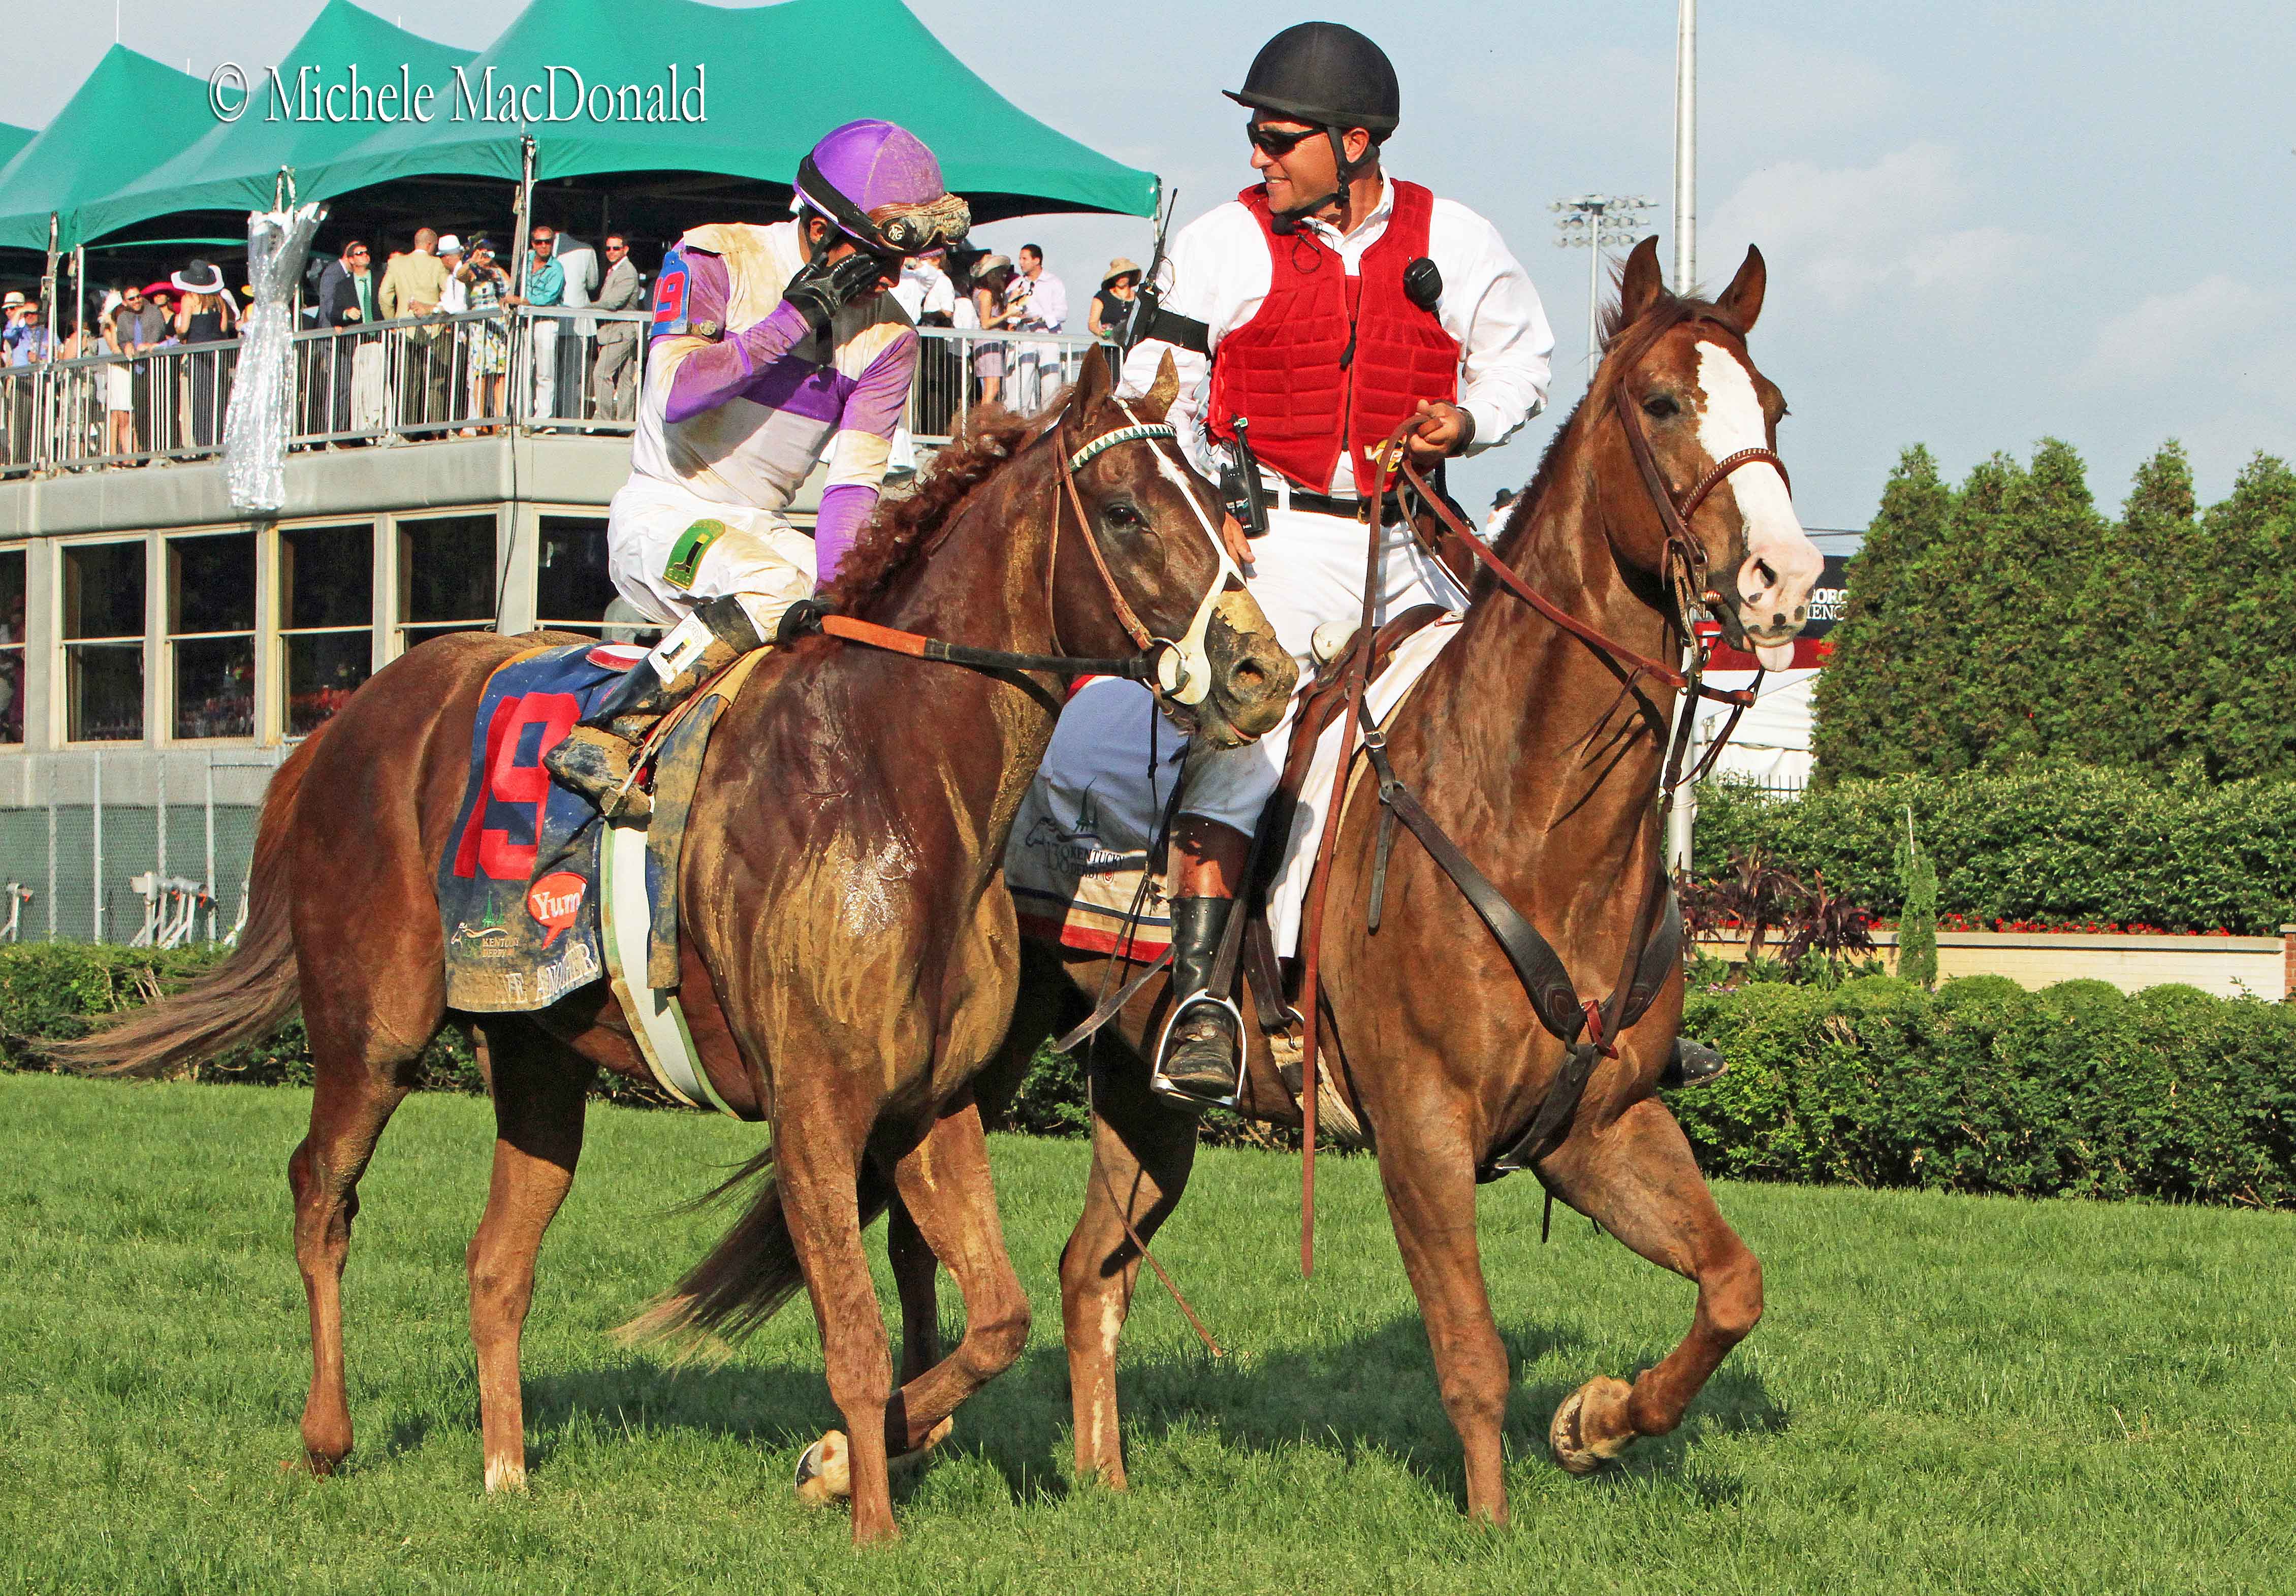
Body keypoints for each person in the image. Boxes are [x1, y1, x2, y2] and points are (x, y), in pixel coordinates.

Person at [1115, 22, 1554, 1104]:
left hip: (1415, 539)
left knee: (1525, 717)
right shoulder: (1223, 243)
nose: (1258, 157)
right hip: (1275, 536)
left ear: (1355, 143)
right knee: (1246, 741)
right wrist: (1206, 501)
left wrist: (1467, 418)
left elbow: (1524, 362)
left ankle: (1587, 994)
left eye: (1278, 139)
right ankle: (1206, 1002)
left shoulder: (1459, 237)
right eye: (1258, 139)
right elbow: (1152, 392)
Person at [543, 119, 969, 820]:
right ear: (823, 229)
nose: (891, 280)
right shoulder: (716, 257)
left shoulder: (892, 337)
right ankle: (606, 731)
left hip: (758, 528)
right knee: (775, 582)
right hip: (664, 514)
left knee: (860, 609)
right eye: (876, 259)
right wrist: (789, 323)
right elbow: (675, 397)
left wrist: (849, 601)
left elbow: (852, 491)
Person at [378, 227, 451, 431]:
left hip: (404, 329)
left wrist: (392, 321)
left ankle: (406, 429)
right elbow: (448, 295)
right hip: (434, 328)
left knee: (407, 380)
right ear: (430, 245)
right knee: (436, 379)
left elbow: (384, 295)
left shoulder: (396, 263)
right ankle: (437, 429)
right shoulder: (438, 264)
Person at [169, 262, 239, 451]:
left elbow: (184, 328)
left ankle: (204, 443)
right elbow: (224, 328)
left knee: (200, 399)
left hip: (197, 353)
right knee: (218, 396)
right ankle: (221, 440)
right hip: (217, 352)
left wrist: (178, 331)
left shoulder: (189, 299)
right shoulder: (219, 300)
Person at [315, 240, 378, 438]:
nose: (364, 256)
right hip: (335, 338)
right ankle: (334, 431)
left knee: (349, 384)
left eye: (366, 252)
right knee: (340, 384)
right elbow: (328, 302)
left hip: (348, 339)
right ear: (349, 257)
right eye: (359, 253)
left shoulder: (353, 276)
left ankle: (347, 429)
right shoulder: (335, 273)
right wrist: (336, 322)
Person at [456, 238, 514, 431]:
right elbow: (459, 275)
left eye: (489, 252)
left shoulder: (497, 272)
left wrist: (495, 267)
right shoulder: (472, 274)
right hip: (480, 329)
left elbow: (509, 287)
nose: (487, 256)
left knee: (500, 374)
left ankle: (499, 418)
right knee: (481, 374)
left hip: (499, 328)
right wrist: (473, 261)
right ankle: (480, 419)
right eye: (484, 252)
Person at [590, 232, 644, 424]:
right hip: (615, 333)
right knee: (624, 379)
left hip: (622, 333)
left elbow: (613, 303)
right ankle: (625, 424)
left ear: (625, 250)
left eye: (616, 248)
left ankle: (604, 420)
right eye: (608, 248)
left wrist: (585, 305)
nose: (611, 252)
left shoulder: (627, 271)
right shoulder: (615, 270)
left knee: (601, 373)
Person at [1007, 242, 1067, 411]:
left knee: (1051, 381)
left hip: (1048, 334)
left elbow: (1062, 313)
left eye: (1025, 259)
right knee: (1023, 380)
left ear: (1037, 260)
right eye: (1020, 259)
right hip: (1025, 334)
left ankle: (1050, 420)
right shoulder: (1017, 285)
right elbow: (1009, 312)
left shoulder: (1053, 282)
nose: (1021, 263)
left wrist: (1042, 317)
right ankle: (1020, 419)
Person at [111, 283, 168, 458]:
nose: (136, 301)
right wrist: (126, 345)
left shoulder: (153, 311)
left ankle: (164, 449)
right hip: (137, 370)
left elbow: (158, 331)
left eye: (138, 297)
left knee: (159, 407)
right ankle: (145, 451)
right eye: (132, 299)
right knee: (141, 411)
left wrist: (148, 344)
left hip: (155, 366)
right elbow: (122, 339)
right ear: (125, 302)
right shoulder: (123, 318)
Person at [552, 231, 599, 425]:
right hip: (578, 321)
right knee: (573, 377)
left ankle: (549, 419)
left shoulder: (538, 249)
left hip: (550, 321)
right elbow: (593, 282)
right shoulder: (587, 251)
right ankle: (570, 422)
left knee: (545, 376)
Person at [523, 225, 566, 425]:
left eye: (547, 242)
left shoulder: (557, 268)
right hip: (525, 322)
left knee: (545, 371)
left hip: (546, 321)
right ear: (533, 244)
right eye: (539, 242)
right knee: (523, 369)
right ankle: (523, 413)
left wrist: (524, 301)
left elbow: (549, 297)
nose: (543, 246)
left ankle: (544, 418)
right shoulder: (526, 262)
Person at [967, 252, 1012, 407]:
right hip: (989, 342)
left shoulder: (985, 293)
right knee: (991, 390)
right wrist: (1008, 314)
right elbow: (985, 323)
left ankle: (985, 426)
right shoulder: (985, 294)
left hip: (993, 342)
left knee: (992, 389)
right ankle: (983, 428)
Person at [1088, 257, 1140, 340]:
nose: (1121, 278)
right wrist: (1100, 332)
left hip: (1133, 347)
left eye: (1124, 274)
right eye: (1118, 275)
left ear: (1130, 275)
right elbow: (1092, 323)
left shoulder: (1139, 299)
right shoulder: (1102, 297)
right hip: (1110, 348)